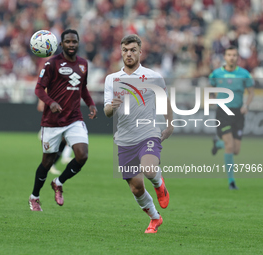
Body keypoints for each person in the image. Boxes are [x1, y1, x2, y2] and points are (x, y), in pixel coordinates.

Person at [103, 34, 173, 234]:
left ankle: (160, 185)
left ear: (140, 52)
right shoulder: (112, 79)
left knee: (149, 168)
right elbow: (107, 112)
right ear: (121, 52)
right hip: (125, 139)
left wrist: (170, 125)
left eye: (133, 50)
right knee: (136, 188)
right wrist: (113, 107)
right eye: (125, 50)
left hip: (148, 133)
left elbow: (165, 101)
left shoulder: (153, 76)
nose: (129, 54)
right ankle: (155, 218)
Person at [28, 29, 97, 211]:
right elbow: (39, 89)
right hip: (52, 121)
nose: (71, 45)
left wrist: (90, 104)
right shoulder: (51, 63)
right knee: (47, 162)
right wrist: (50, 103)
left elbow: (83, 88)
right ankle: (34, 197)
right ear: (61, 44)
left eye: (74, 41)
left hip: (74, 119)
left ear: (78, 42)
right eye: (68, 42)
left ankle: (58, 182)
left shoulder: (83, 64)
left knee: (82, 155)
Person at [210, 45, 255, 190]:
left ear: (237, 57)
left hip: (238, 113)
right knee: (230, 146)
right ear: (225, 57)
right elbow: (210, 89)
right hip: (223, 113)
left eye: (234, 55)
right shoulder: (216, 74)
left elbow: (251, 92)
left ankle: (218, 145)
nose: (231, 57)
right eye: (229, 55)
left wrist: (246, 105)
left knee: (236, 150)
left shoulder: (244, 74)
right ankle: (231, 182)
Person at [36, 98, 73, 175]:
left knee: (65, 139)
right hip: (52, 123)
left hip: (60, 119)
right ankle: (49, 165)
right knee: (54, 145)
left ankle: (53, 163)